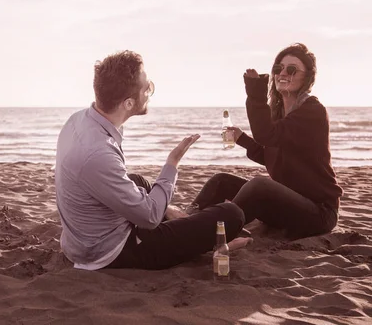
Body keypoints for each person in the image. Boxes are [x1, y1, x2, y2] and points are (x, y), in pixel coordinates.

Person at [55, 50, 246, 270]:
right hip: (111, 252)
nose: (150, 92)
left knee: (137, 181)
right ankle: (208, 238)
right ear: (127, 103)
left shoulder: (78, 120)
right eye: (147, 88)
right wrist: (172, 163)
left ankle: (179, 216)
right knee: (233, 215)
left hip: (83, 238)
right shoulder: (98, 153)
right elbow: (151, 217)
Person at [188, 43, 343, 238]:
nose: (283, 73)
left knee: (260, 185)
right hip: (288, 204)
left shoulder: (312, 111)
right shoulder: (280, 114)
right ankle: (186, 220)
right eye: (278, 68)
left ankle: (208, 234)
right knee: (221, 181)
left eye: (292, 69)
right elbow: (271, 156)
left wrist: (255, 92)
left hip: (318, 212)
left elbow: (265, 135)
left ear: (307, 77)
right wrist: (242, 139)